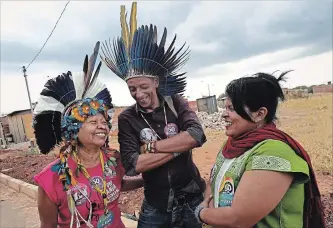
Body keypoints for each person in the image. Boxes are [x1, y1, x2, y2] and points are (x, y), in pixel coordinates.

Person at [100, 2, 207, 227]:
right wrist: (179, 147)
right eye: (132, 89)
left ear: (156, 82)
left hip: (191, 198)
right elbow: (133, 164)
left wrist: (150, 147)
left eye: (143, 86)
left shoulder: (175, 102)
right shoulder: (128, 118)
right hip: (156, 205)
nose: (138, 94)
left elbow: (196, 135)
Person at [194, 71, 326, 228]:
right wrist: (208, 203)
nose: (224, 115)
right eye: (225, 107)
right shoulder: (232, 144)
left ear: (260, 114)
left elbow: (237, 219)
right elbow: (215, 181)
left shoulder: (273, 152)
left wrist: (201, 213)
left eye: (232, 108)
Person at [33, 42, 144, 228]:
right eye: (93, 122)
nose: (102, 126)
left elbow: (118, 184)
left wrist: (147, 180)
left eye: (104, 122)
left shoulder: (113, 159)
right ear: (73, 130)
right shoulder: (51, 178)